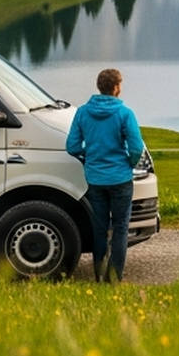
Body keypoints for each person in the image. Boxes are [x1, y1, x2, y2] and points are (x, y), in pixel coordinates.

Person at [66, 68, 146, 282]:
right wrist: (127, 163)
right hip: (120, 179)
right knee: (120, 228)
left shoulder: (83, 112)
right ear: (117, 87)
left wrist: (89, 157)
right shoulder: (125, 113)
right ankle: (114, 276)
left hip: (95, 178)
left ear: (99, 86)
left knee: (100, 228)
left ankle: (99, 275)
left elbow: (72, 146)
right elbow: (136, 147)